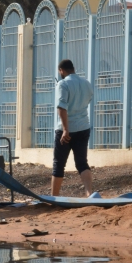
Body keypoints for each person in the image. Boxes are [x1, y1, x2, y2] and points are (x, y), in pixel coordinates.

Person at [52, 58, 95, 197]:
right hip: (83, 127)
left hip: (66, 130)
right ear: (73, 68)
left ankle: (54, 197)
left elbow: (62, 108)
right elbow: (88, 100)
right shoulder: (86, 83)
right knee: (82, 162)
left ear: (61, 70)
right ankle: (89, 192)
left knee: (59, 164)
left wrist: (65, 129)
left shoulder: (63, 84)